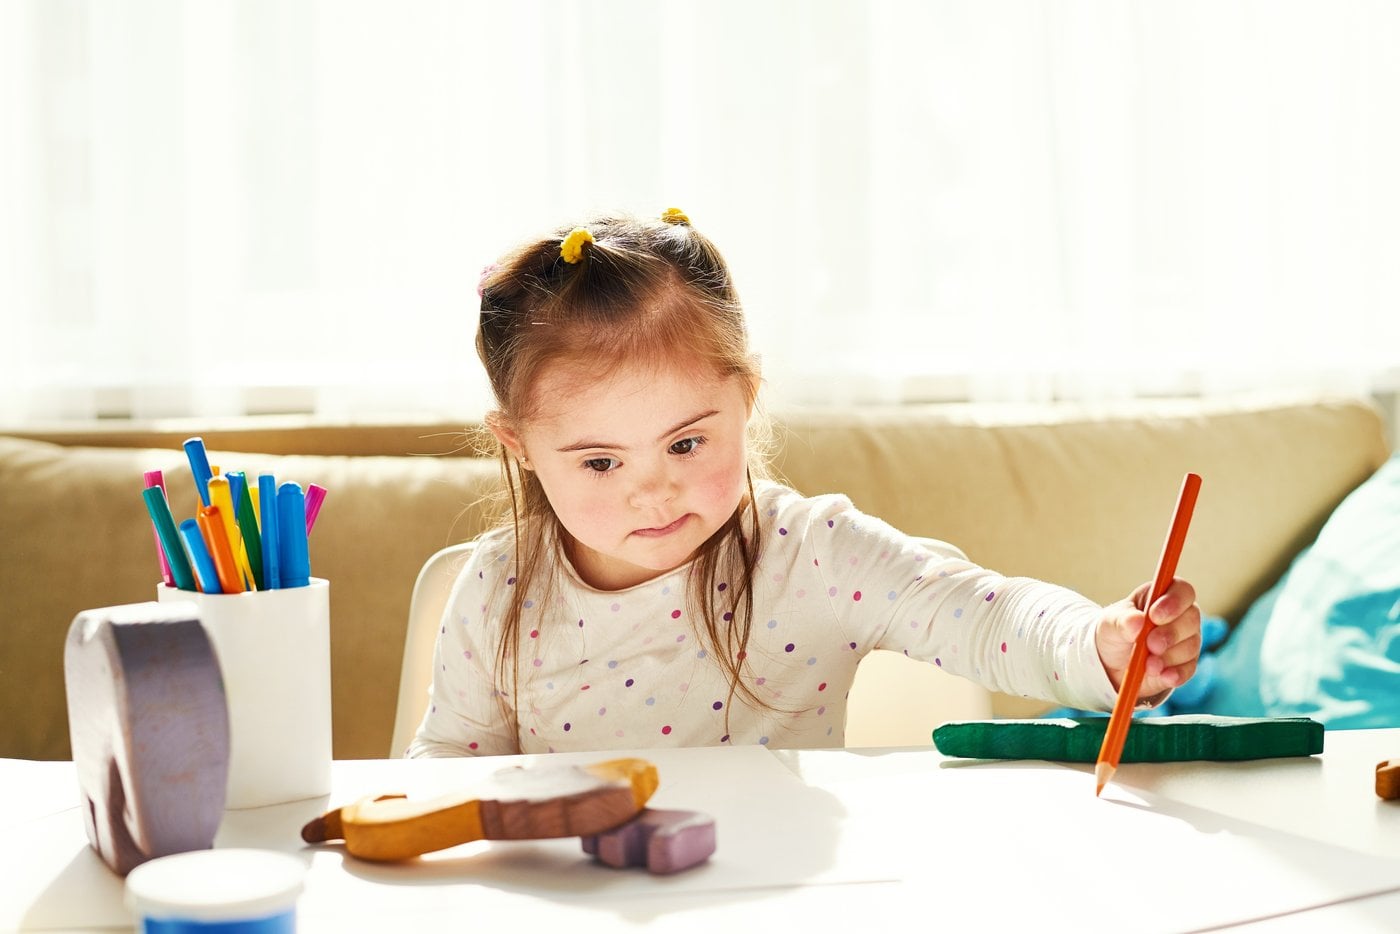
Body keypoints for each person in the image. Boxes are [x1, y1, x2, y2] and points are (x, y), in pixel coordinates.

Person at [407, 208, 1202, 757]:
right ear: (519, 446)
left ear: (746, 399)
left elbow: (987, 617)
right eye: (602, 462)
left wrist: (1099, 643)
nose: (654, 494)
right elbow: (447, 766)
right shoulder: (497, 589)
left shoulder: (813, 555)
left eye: (686, 443)